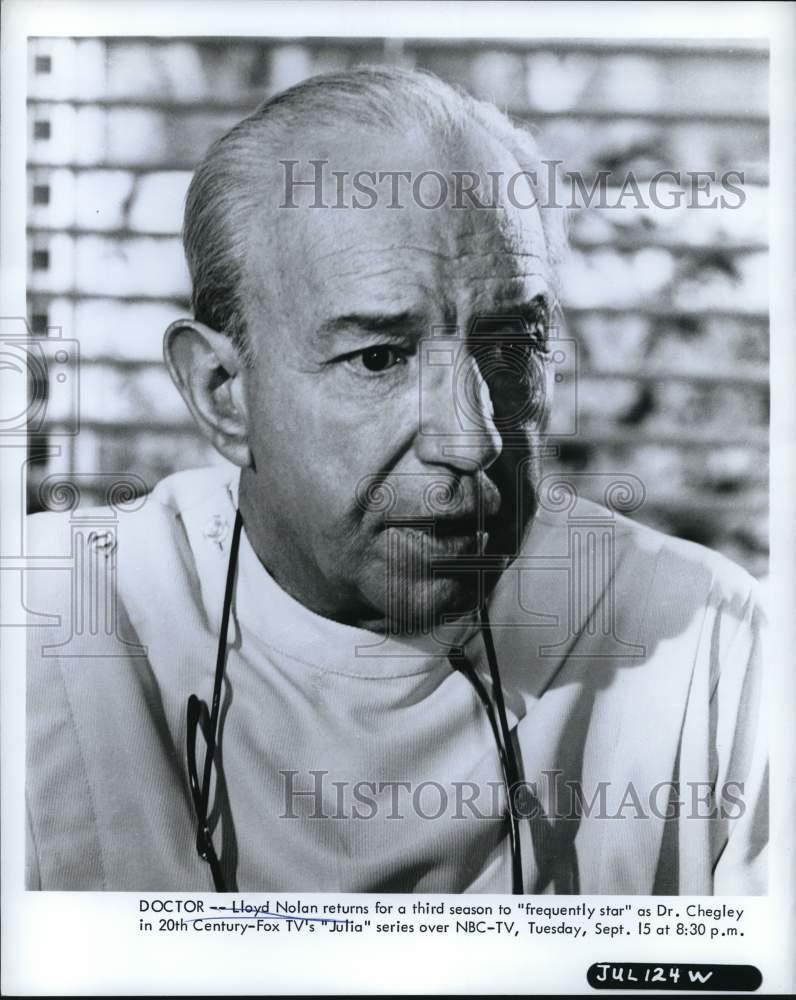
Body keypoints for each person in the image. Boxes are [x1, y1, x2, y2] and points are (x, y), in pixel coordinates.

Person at [25, 66, 767, 894]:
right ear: (222, 392)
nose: (472, 440)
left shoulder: (708, 647)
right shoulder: (50, 626)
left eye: (509, 348)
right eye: (378, 358)